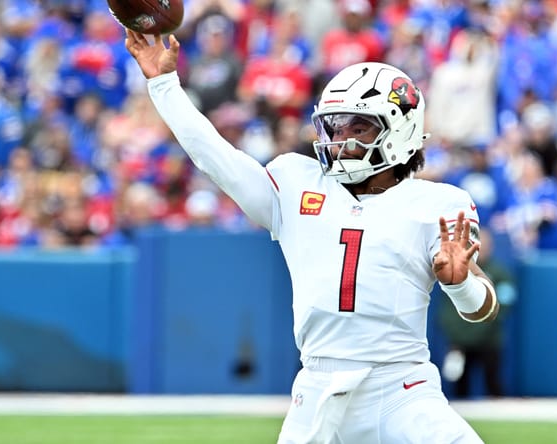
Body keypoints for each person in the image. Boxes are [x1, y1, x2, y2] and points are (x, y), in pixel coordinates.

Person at [125, 31, 499, 444]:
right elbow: (215, 157)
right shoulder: (297, 181)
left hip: (403, 390)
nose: (342, 140)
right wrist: (163, 85)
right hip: (319, 390)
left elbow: (480, 310)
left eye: (359, 126)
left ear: (400, 130)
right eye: (335, 126)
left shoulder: (437, 203)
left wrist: (461, 284)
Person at [438, 228, 516, 399]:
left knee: (493, 382)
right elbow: (447, 308)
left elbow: (504, 304)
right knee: (460, 385)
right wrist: (458, 334)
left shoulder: (499, 272)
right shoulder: (457, 269)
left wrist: (481, 326)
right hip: (461, 341)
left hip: (489, 339)